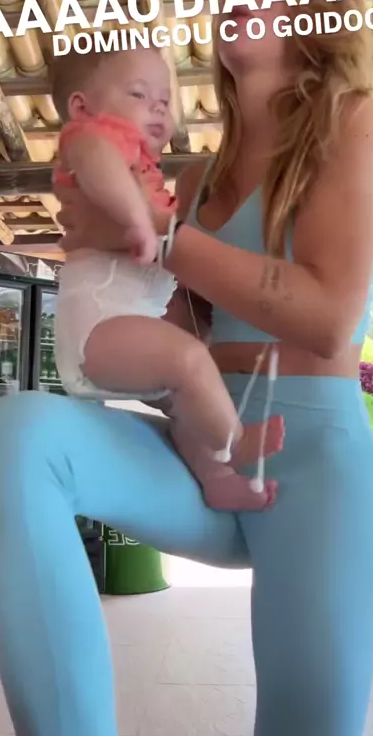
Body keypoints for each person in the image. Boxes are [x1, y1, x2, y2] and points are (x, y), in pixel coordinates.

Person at [0, 0, 373, 736]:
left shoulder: (351, 123)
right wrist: (97, 254)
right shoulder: (192, 180)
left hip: (313, 463)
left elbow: (330, 318)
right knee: (14, 434)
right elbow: (182, 325)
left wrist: (163, 236)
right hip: (202, 443)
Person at [50, 45, 283, 509]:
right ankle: (234, 445)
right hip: (98, 327)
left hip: (127, 328)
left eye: (164, 99)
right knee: (189, 360)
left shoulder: (139, 168)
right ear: (81, 106)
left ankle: (217, 479)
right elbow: (100, 168)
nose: (158, 108)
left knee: (187, 401)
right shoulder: (89, 138)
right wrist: (139, 220)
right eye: (139, 94)